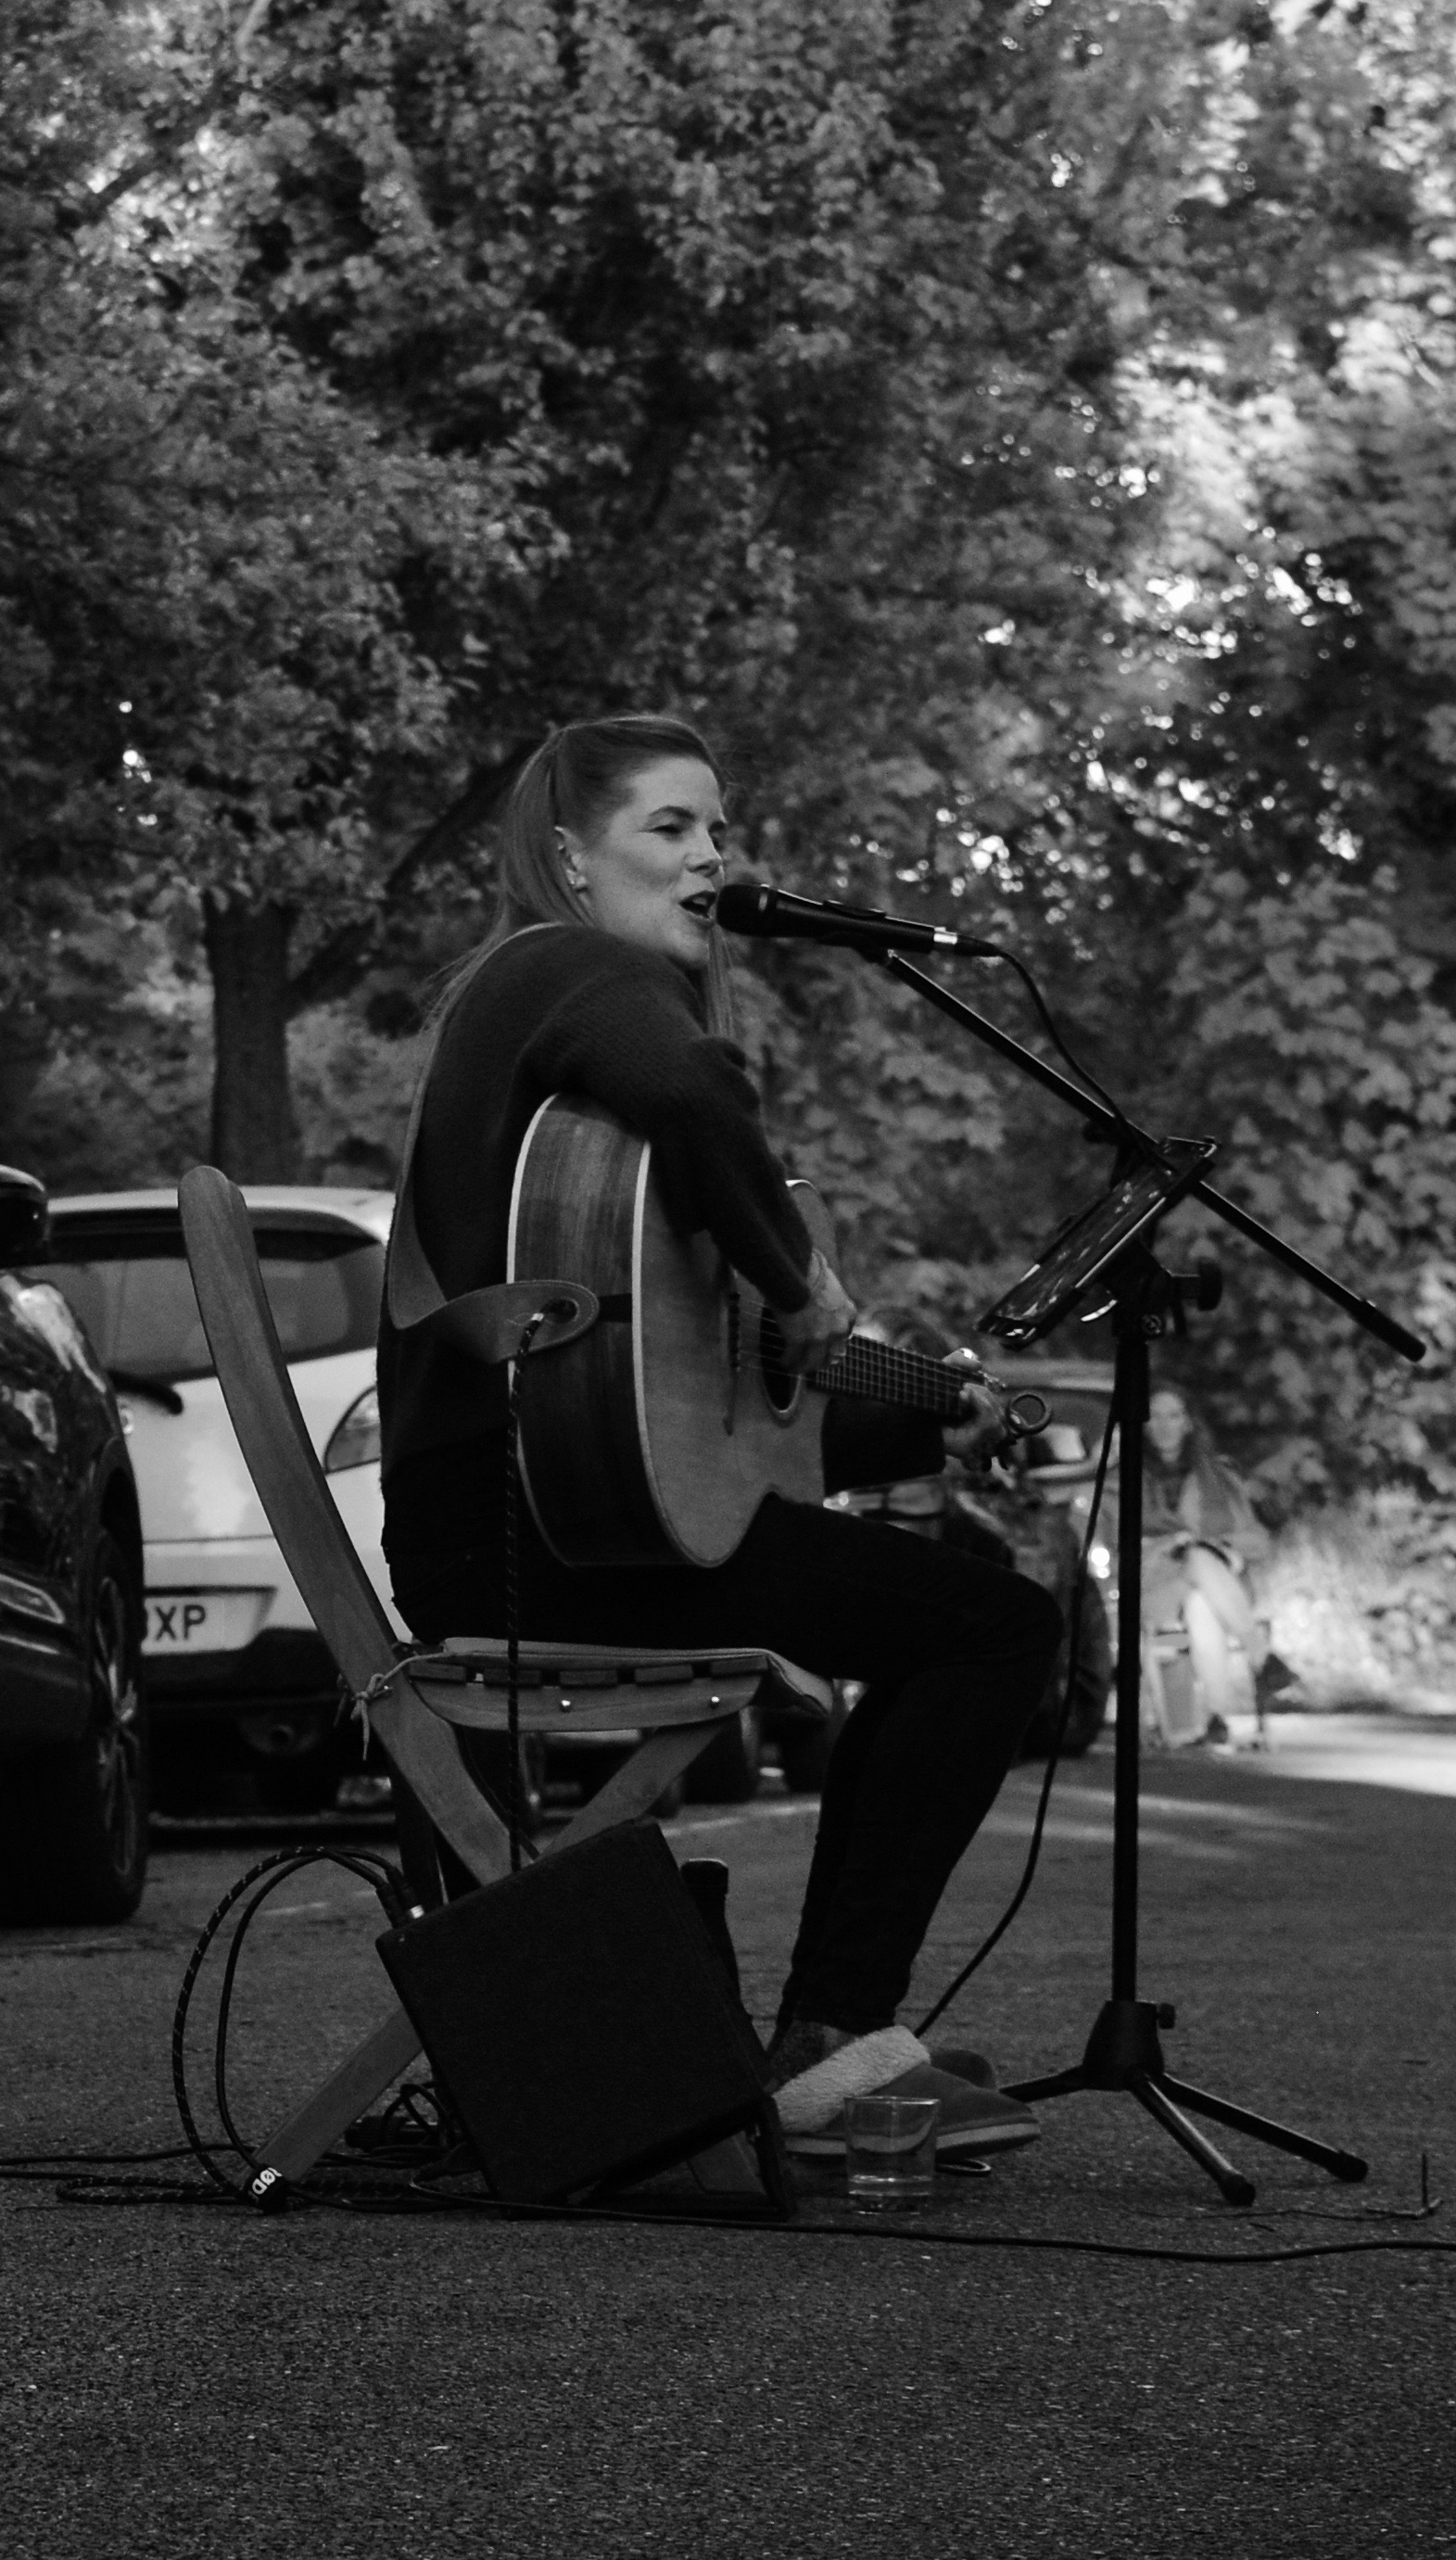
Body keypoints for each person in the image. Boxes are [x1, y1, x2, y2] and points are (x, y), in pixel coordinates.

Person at [376, 714, 1065, 2160]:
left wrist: (942, 1413)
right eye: (669, 828)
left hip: (541, 1518)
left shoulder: (541, 1028)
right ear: (569, 856)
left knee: (951, 1614)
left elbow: (714, 1415)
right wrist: (788, 1272)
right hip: (537, 1534)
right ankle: (829, 2037)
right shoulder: (572, 969)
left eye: (717, 829)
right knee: (992, 1628)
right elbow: (699, 1098)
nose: (711, 858)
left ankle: (831, 2035)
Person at [1140, 1387, 1270, 1750]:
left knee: (1200, 1601)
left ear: (1188, 1423)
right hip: (1156, 1583)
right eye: (1155, 1415)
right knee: (1193, 1564)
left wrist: (1222, 1546)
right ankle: (1259, 1653)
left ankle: (1216, 1719)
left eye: (1174, 1415)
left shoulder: (1218, 1475)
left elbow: (1256, 1538)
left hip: (1213, 1585)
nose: (1165, 1425)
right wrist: (1169, 1544)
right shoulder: (1127, 1475)